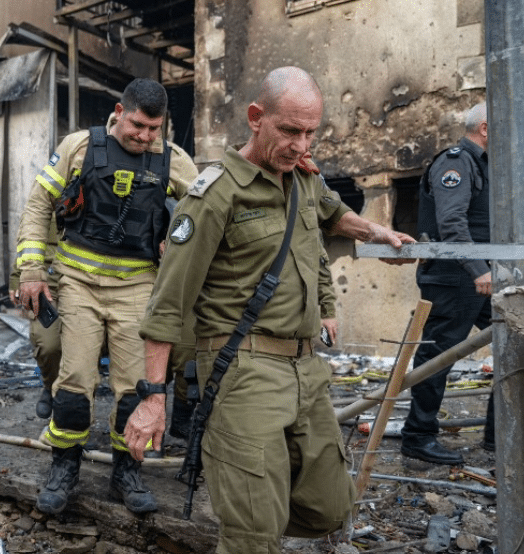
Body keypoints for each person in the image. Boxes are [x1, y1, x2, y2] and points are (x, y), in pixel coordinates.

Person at [124, 66, 414, 553]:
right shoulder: (215, 195)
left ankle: (256, 513)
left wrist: (373, 232)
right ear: (256, 118)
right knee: (253, 532)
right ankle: (248, 528)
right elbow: (167, 306)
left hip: (306, 370)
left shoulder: (300, 178)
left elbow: (329, 208)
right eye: (290, 131)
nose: (303, 146)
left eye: (311, 133)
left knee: (329, 505)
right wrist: (153, 398)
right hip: (244, 373)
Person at [16, 78, 199, 515]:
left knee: (134, 390)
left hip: (137, 286)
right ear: (119, 111)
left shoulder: (173, 159)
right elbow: (39, 204)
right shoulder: (78, 146)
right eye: (138, 125)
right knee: (75, 383)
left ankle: (126, 471)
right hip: (78, 279)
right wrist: (31, 269)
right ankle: (64, 468)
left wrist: (177, 239)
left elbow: (206, 208)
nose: (145, 136)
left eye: (154, 129)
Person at [401, 102, 494, 465]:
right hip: (456, 277)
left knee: (516, 342)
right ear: (484, 128)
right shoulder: (456, 162)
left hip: (476, 274)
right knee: (437, 358)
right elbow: (452, 223)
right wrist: (478, 269)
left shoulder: (483, 164)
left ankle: (498, 435)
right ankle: (418, 438)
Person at [9, 222, 61, 419]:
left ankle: (72, 416)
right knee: (48, 345)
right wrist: (16, 279)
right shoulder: (47, 201)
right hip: (47, 288)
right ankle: (50, 386)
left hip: (85, 286)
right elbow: (28, 243)